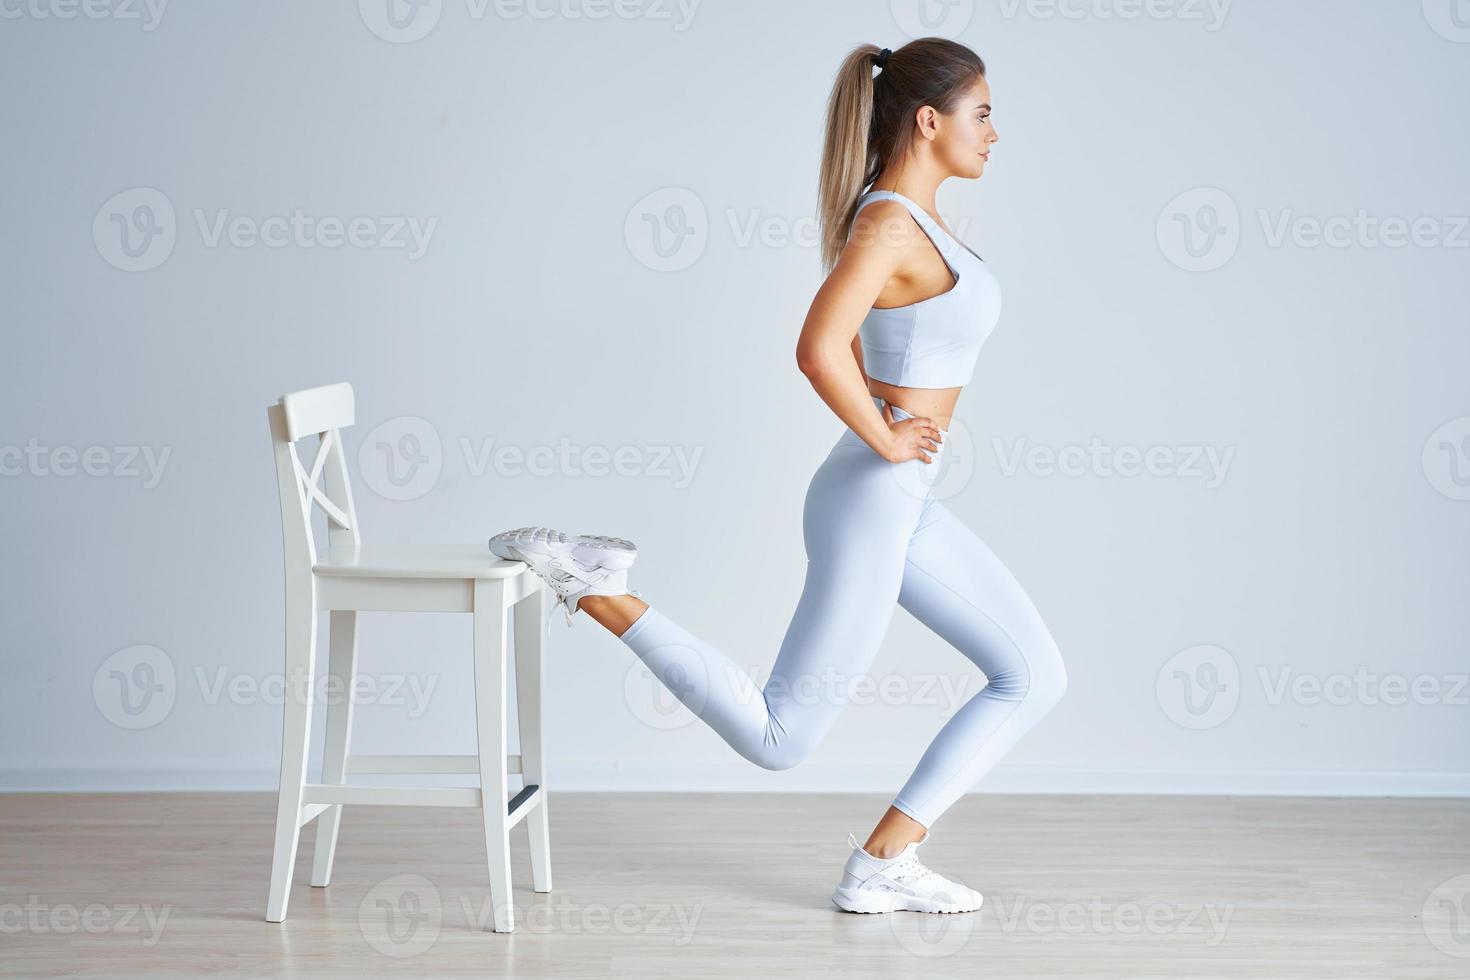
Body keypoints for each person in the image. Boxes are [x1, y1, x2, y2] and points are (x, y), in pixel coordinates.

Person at [490, 37, 1067, 915]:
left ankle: (884, 861)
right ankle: (593, 585)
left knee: (1033, 673)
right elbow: (816, 345)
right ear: (928, 119)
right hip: (874, 502)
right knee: (778, 738)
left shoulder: (919, 221)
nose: (995, 132)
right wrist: (883, 435)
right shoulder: (886, 223)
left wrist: (891, 445)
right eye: (982, 113)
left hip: (903, 506)